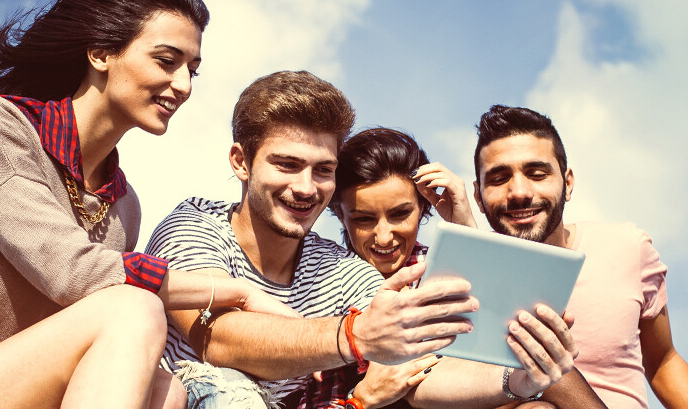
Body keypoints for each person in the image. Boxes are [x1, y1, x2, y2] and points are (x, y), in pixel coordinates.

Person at [0, 0, 296, 407]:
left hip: (17, 385)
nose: (183, 85)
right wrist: (235, 291)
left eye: (192, 70)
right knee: (133, 309)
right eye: (167, 61)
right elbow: (73, 272)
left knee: (169, 393)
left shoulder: (125, 206)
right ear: (100, 53)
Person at [143, 71, 576, 409]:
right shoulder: (194, 224)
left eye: (323, 169)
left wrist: (517, 382)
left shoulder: (341, 271)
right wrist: (355, 336)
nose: (306, 187)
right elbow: (218, 339)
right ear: (241, 162)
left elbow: (419, 374)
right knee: (221, 384)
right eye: (287, 165)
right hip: (179, 397)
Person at [302, 127, 603, 409]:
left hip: (468, 391)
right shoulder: (329, 278)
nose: (384, 236)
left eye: (400, 214)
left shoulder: (440, 265)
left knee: (541, 374)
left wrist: (464, 224)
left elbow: (497, 327)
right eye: (363, 219)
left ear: (424, 207)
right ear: (338, 213)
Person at [472, 104, 688, 408]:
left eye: (536, 174)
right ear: (478, 196)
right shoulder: (461, 280)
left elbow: (664, 362)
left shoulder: (628, 246)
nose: (518, 191)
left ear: (568, 182)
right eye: (498, 179)